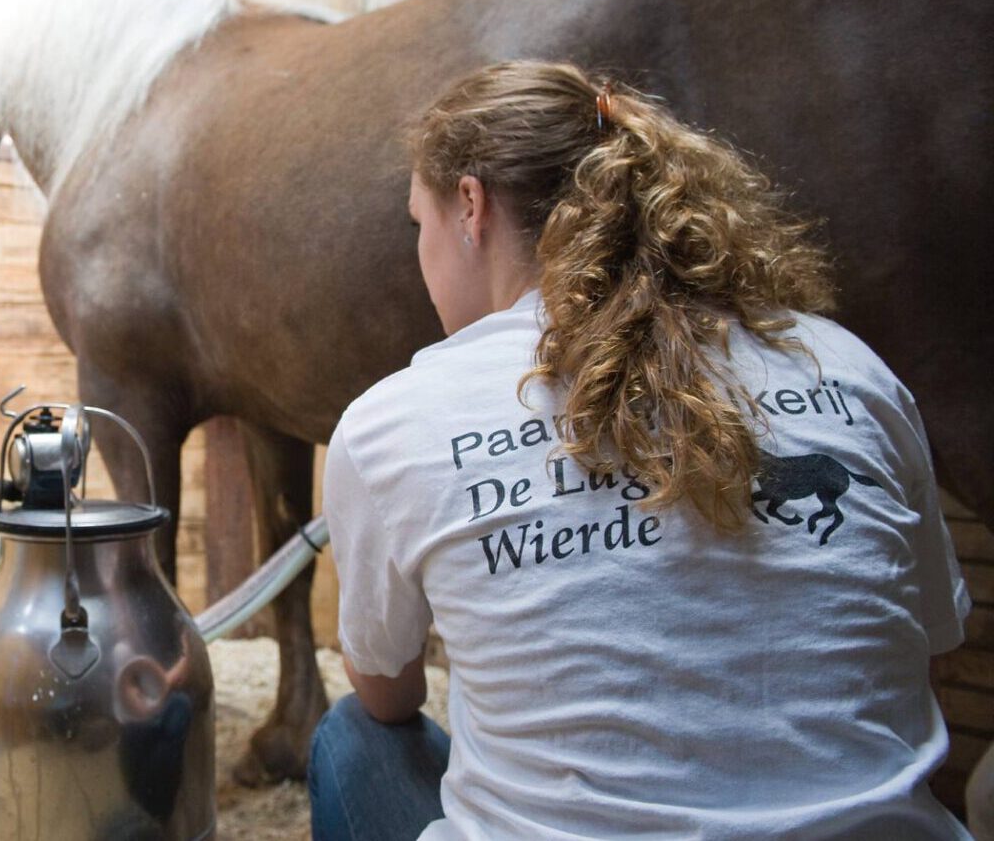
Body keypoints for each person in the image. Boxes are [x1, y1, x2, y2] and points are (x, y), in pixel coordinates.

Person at [309, 61, 971, 839]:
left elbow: (389, 695)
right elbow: (930, 647)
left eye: (418, 224)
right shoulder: (851, 370)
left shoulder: (393, 421)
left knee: (351, 737)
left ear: (469, 205)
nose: (423, 260)